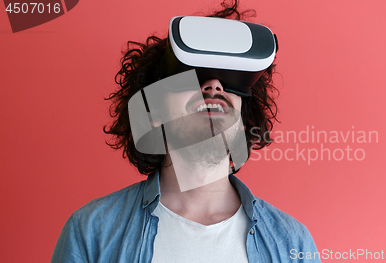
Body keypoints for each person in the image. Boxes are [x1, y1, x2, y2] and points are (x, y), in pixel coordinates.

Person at [51, 1, 320, 262]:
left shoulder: (292, 244)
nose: (214, 86)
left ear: (243, 121)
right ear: (154, 113)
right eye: (193, 75)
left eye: (229, 82)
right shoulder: (91, 232)